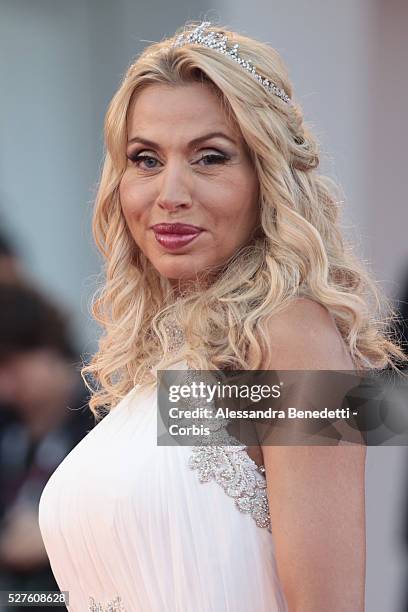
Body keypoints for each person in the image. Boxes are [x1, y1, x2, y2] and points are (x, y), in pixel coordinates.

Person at [38, 21, 405, 612]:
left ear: (267, 178)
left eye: (210, 157)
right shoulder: (162, 363)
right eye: (146, 159)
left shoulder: (289, 336)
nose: (171, 192)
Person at [0, 282, 95, 610]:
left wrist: (58, 532)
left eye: (11, 366)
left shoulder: (106, 414)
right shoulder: (9, 423)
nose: (5, 387)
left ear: (48, 349)